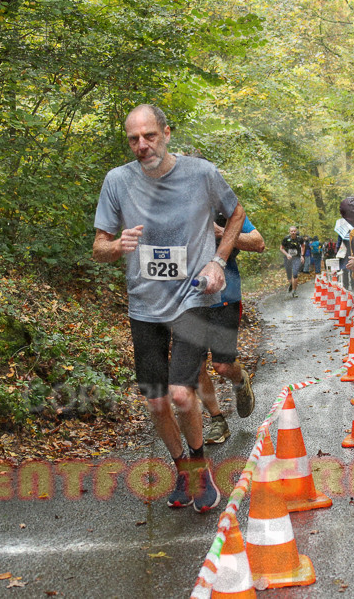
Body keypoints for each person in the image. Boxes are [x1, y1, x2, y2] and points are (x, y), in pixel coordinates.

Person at [92, 104, 245, 513]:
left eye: (149, 136)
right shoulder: (117, 181)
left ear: (166, 132)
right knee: (157, 402)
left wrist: (218, 259)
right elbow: (98, 246)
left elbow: (236, 214)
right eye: (133, 139)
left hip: (194, 298)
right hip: (145, 305)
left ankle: (199, 464)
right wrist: (116, 246)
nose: (142, 146)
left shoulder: (201, 173)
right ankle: (183, 467)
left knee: (181, 393)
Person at [199, 214, 264, 445]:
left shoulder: (224, 209)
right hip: (188, 301)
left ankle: (240, 380)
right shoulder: (173, 205)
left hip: (223, 298)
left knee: (222, 365)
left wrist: (222, 233)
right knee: (194, 367)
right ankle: (217, 421)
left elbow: (258, 242)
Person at [279, 226, 302, 296]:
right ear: (289, 232)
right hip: (288, 259)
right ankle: (291, 284)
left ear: (296, 231)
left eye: (294, 231)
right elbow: (281, 248)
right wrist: (287, 254)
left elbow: (303, 246)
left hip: (296, 258)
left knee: (295, 274)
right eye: (291, 231)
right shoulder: (286, 239)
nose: (293, 232)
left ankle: (294, 291)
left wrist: (302, 256)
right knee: (289, 276)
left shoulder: (299, 239)